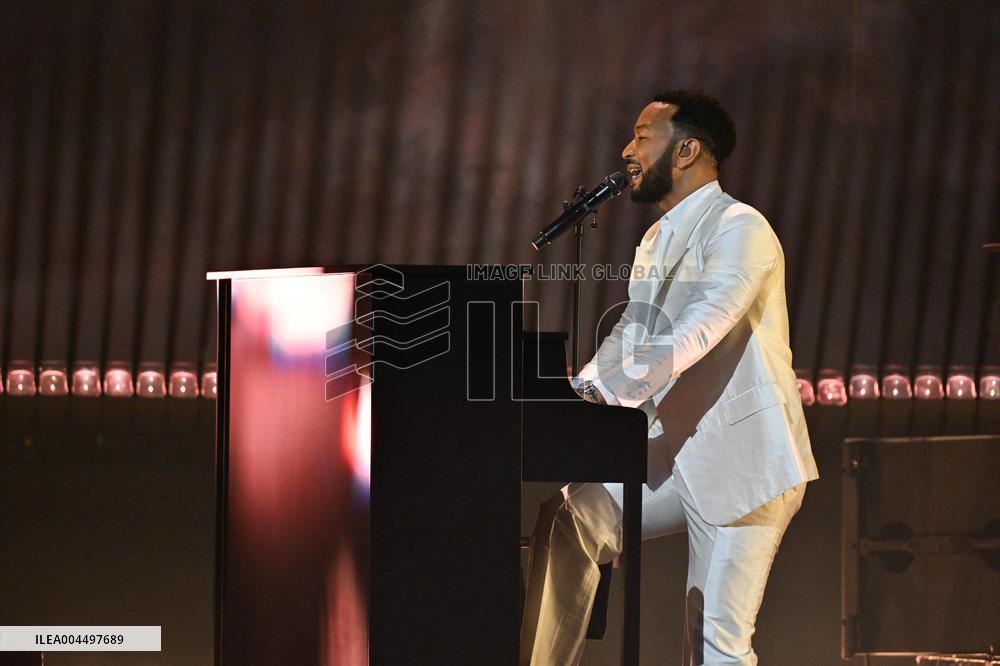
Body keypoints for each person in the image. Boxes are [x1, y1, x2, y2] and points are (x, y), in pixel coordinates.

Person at [519, 90, 819, 666]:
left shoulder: (740, 227)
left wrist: (603, 396)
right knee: (569, 517)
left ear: (686, 151)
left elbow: (695, 330)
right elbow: (635, 333)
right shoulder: (657, 239)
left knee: (712, 645)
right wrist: (578, 395)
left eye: (640, 136)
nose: (626, 150)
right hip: (676, 450)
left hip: (743, 463)